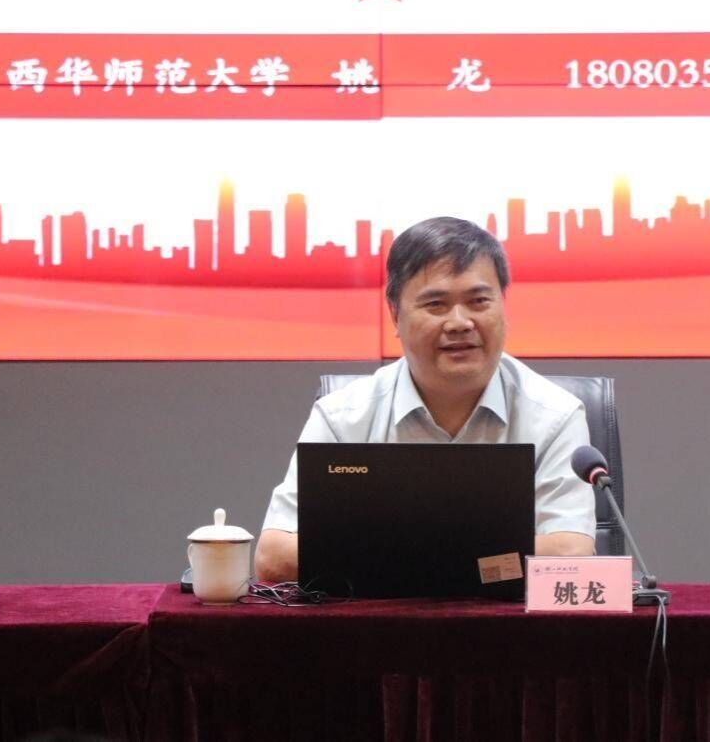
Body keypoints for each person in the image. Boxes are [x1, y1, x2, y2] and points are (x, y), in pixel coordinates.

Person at [255, 216, 596, 583]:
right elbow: (274, 558)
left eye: (479, 301)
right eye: (436, 304)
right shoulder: (343, 417)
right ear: (395, 315)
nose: (460, 322)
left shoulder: (555, 416)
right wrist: (478, 559)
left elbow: (570, 554)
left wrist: (391, 554)